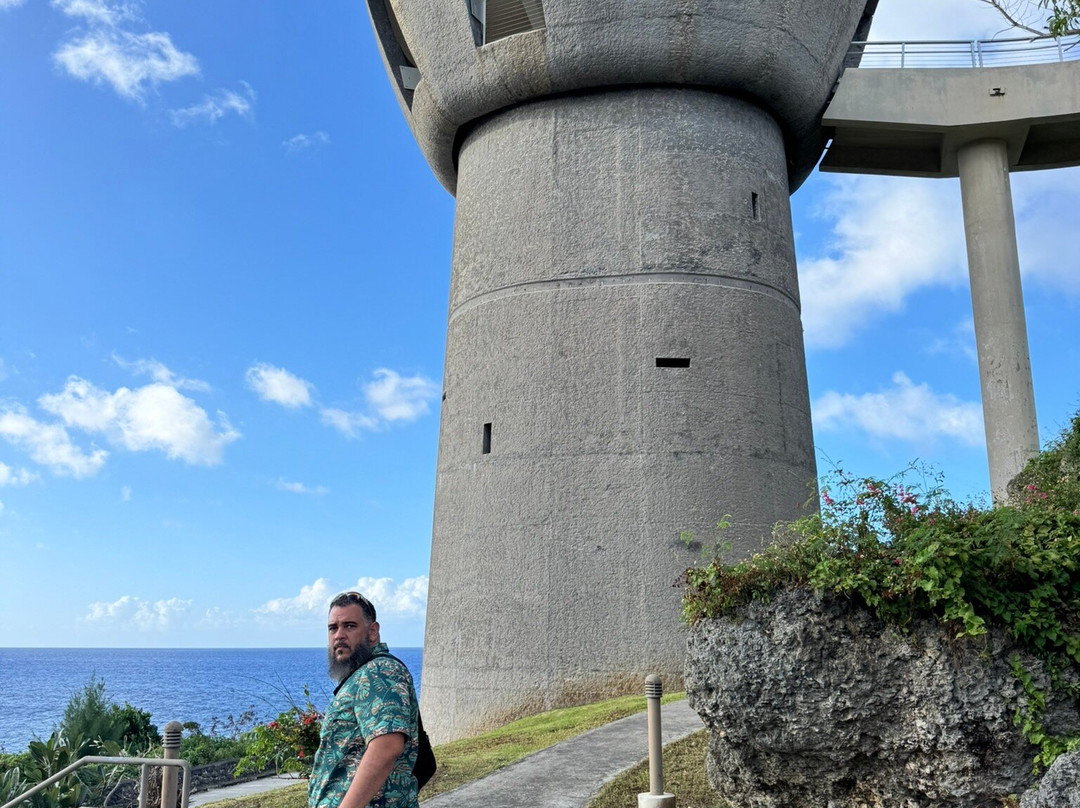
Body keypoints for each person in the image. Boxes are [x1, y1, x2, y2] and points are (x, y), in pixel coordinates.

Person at [308, 591, 419, 808]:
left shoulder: (379, 671)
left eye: (349, 626)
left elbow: (386, 747)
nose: (339, 635)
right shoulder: (360, 675)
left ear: (372, 632)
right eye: (333, 628)